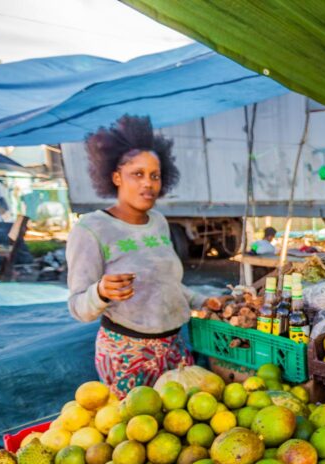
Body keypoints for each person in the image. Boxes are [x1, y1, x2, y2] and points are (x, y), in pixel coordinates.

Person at [66, 115, 217, 397]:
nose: (148, 183)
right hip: (127, 356)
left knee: (181, 429)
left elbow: (166, 284)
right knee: (140, 434)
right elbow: (77, 306)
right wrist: (100, 292)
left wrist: (202, 301)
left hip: (174, 348)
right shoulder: (91, 229)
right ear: (115, 177)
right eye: (137, 174)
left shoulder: (159, 221)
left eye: (155, 175)